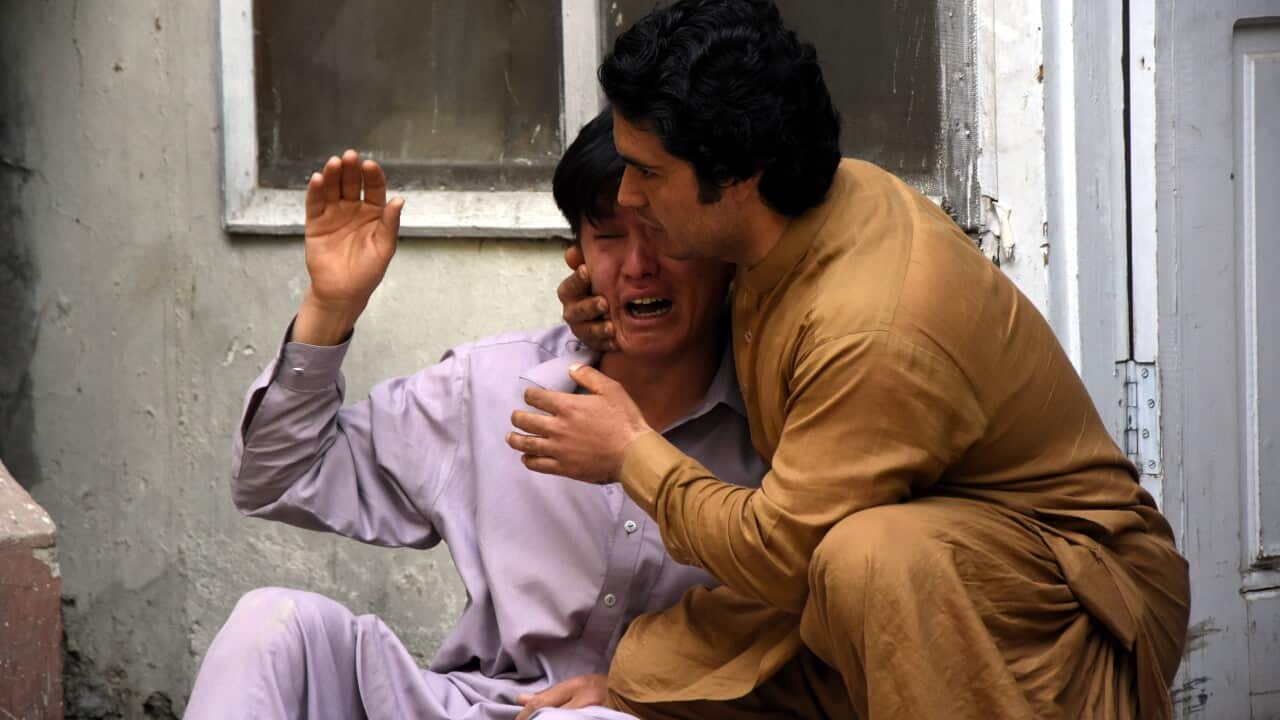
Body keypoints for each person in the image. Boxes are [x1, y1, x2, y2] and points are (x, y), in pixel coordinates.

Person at [507, 1, 1192, 718]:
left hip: (1079, 603)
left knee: (867, 558)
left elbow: (782, 555)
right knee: (670, 670)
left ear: (737, 175)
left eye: (647, 173)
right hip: (921, 570)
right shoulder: (795, 211)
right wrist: (608, 311)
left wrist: (630, 454)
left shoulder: (874, 327)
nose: (626, 193)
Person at [185, 111, 765, 720]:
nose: (640, 263)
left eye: (663, 230)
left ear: (723, 248)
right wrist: (331, 307)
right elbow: (276, 478)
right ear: (580, 258)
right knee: (273, 625)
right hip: (479, 706)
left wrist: (653, 689)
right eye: (609, 235)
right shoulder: (495, 387)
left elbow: (808, 621)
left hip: (664, 712)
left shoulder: (778, 419)